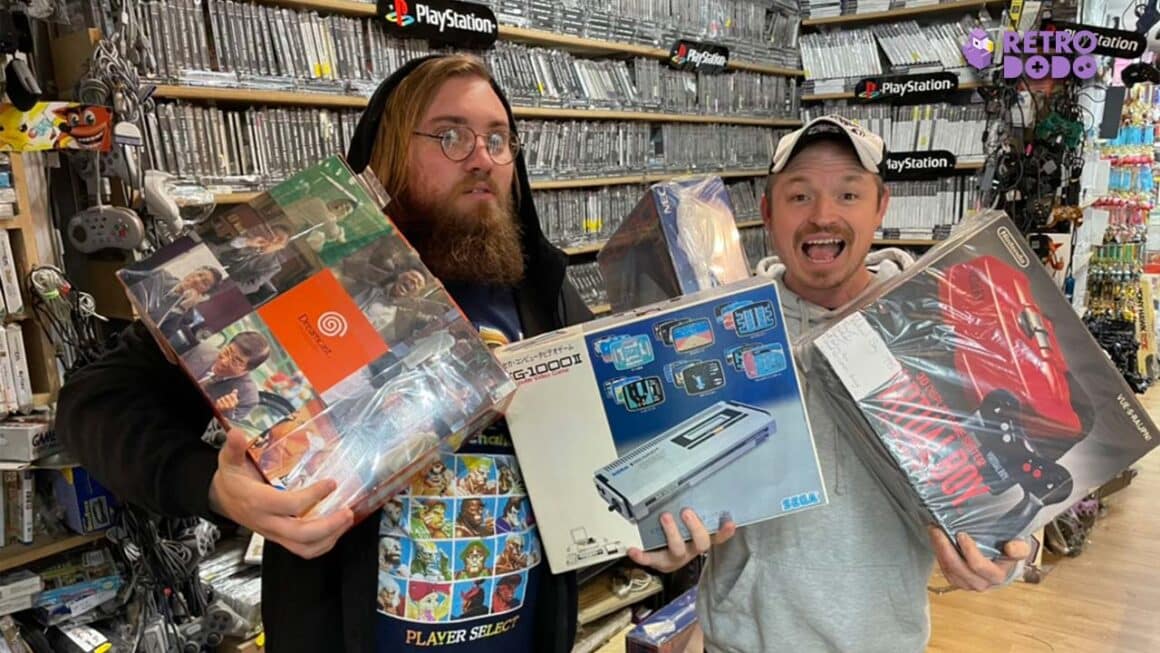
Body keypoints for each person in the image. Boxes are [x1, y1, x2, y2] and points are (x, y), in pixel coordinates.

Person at [55, 54, 600, 652]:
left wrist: (645, 530)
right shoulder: (291, 274)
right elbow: (94, 403)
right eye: (451, 135)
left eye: (499, 139)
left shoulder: (541, 292)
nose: (481, 158)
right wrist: (211, 485)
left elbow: (594, 456)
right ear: (390, 150)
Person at [627, 114, 1032, 652]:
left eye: (847, 194)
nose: (823, 216)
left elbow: (998, 497)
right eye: (799, 197)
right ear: (767, 212)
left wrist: (1001, 552)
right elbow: (678, 489)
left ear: (880, 207)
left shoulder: (938, 329)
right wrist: (667, 539)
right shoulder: (716, 336)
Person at [184, 330, 271, 423]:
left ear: (249, 369)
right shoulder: (202, 350)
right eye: (227, 351)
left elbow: (215, 435)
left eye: (236, 361)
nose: (224, 361)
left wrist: (221, 415)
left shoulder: (247, 398)